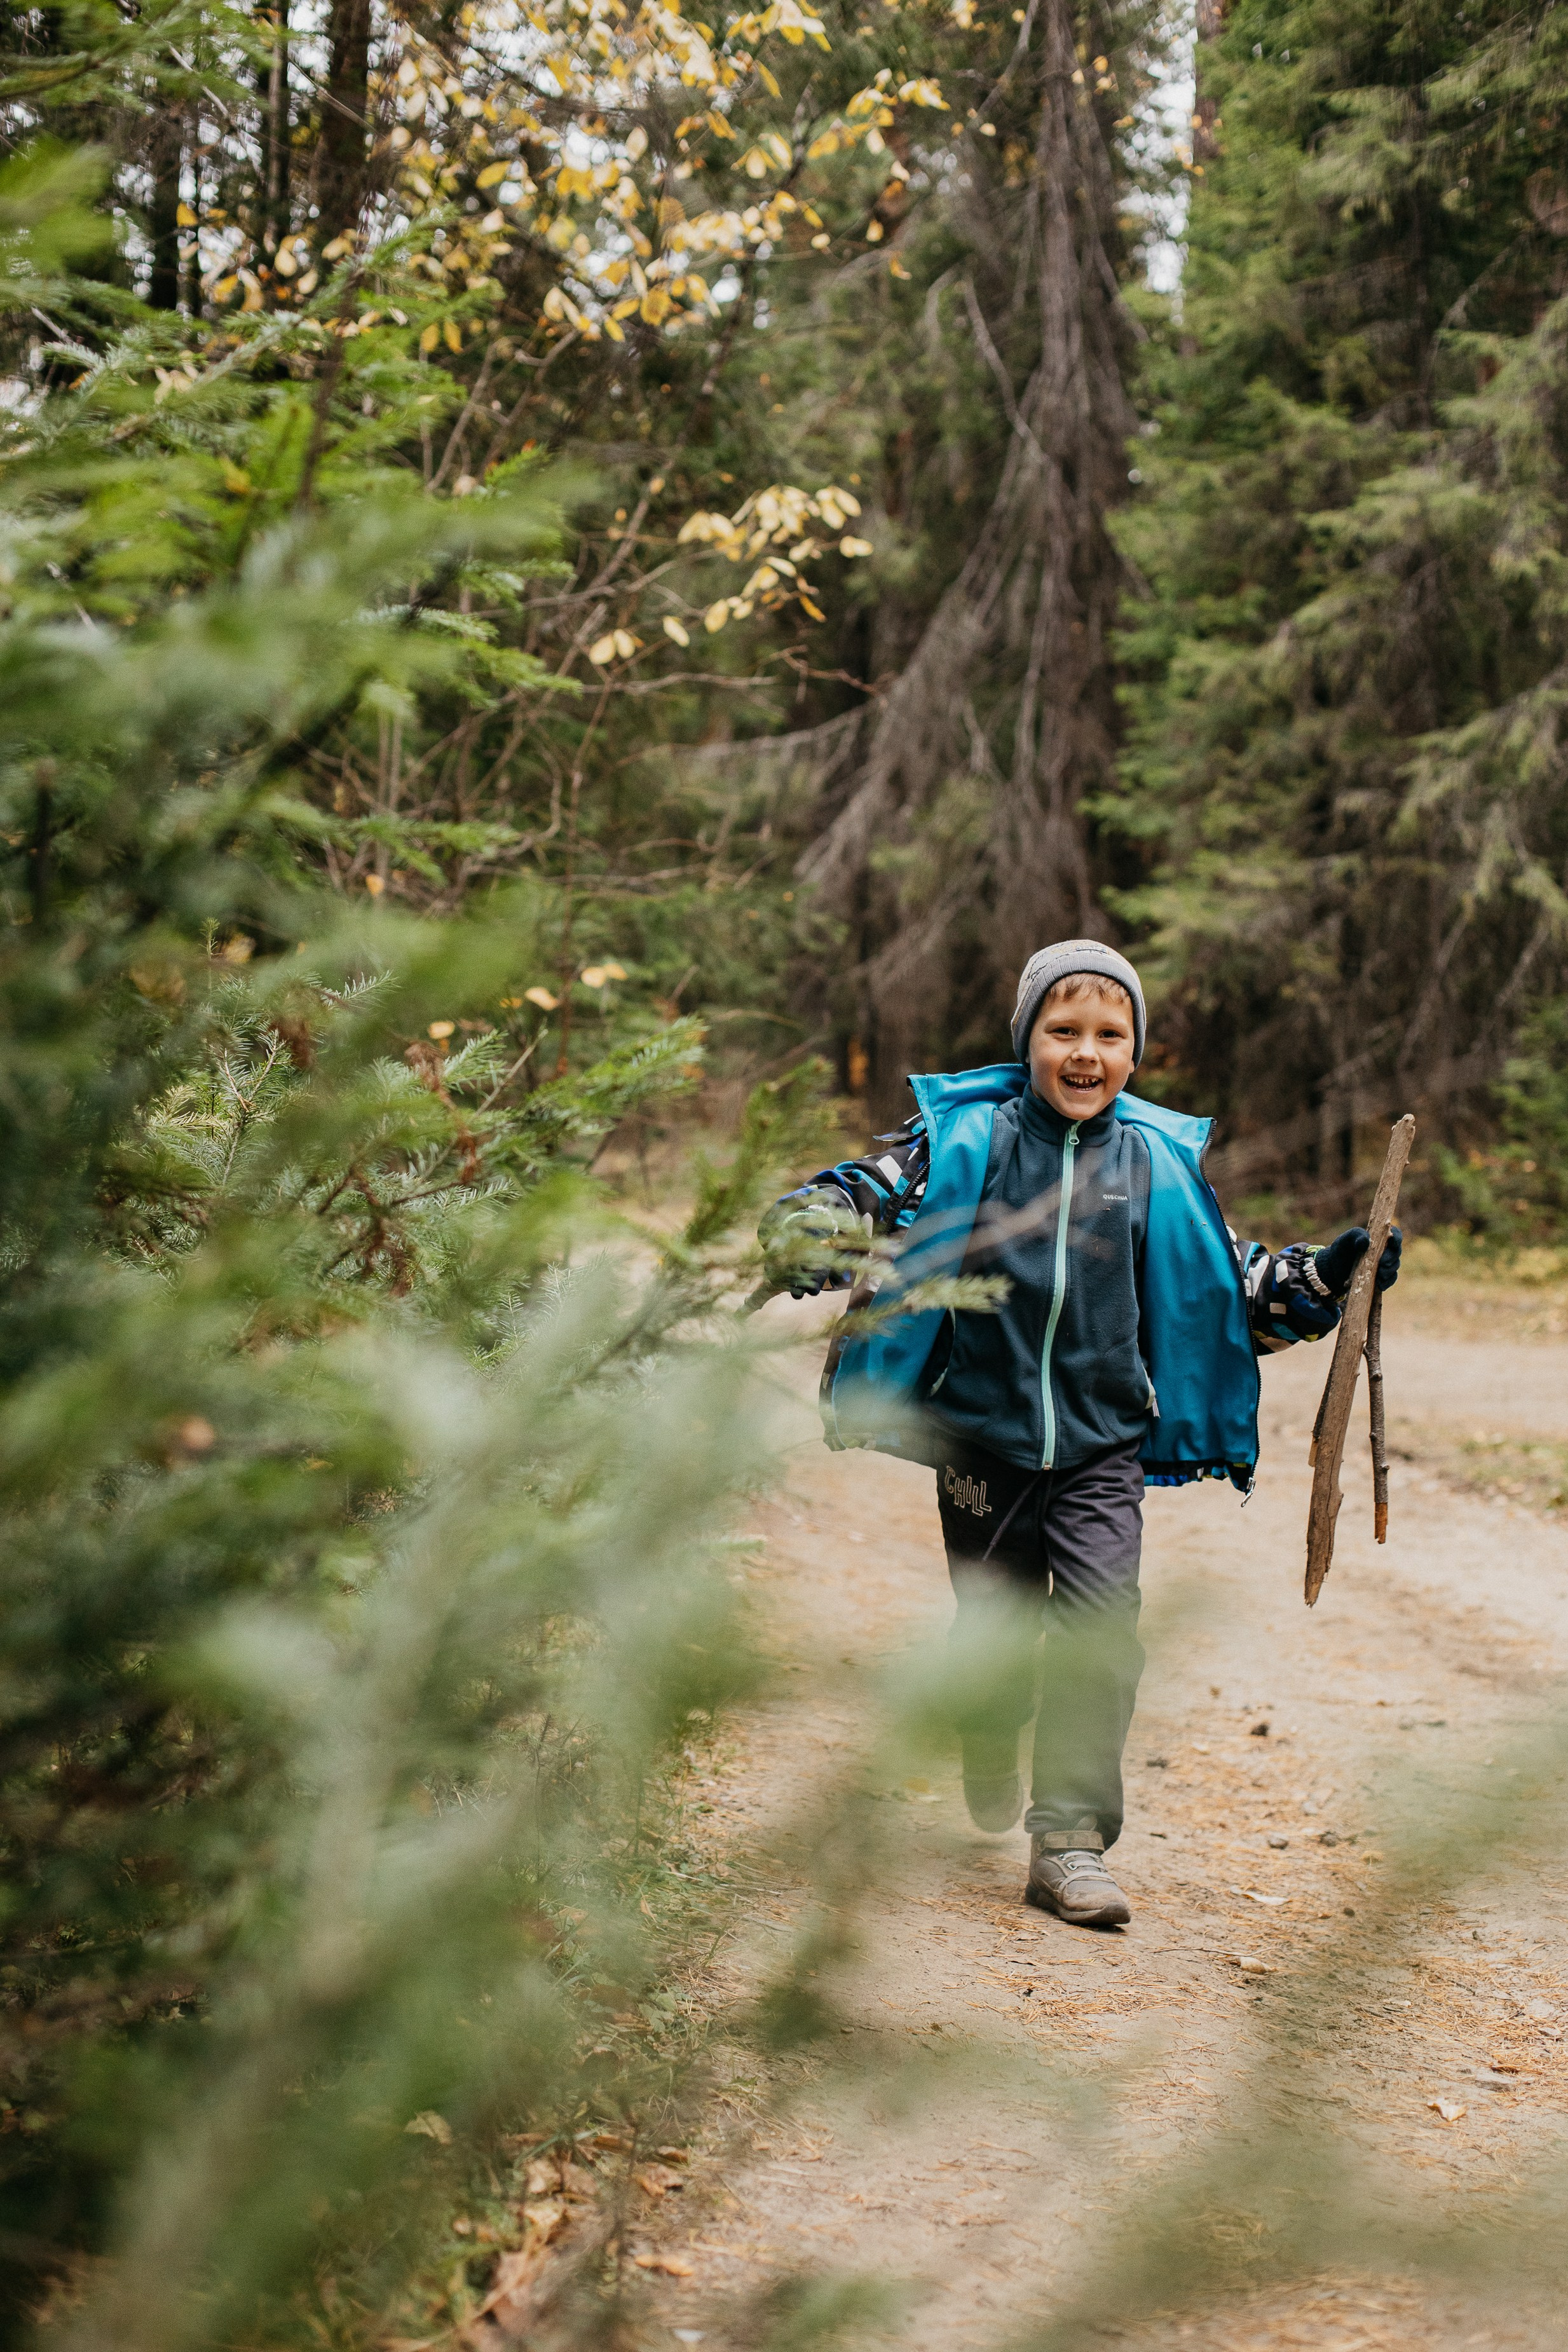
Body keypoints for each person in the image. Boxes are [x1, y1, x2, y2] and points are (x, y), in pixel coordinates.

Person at [758, 940, 1400, 1930]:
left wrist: (1327, 1277)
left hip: (1103, 1444)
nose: (1087, 1052)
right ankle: (986, 1713)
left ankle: (1069, 1842)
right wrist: (814, 1221)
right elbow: (868, 1186)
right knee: (997, 1626)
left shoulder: (1155, 1165)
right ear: (1028, 1043)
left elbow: (1234, 1290)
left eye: (1111, 1034)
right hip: (979, 1437)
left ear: (1136, 1055)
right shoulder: (966, 1137)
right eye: (1065, 1031)